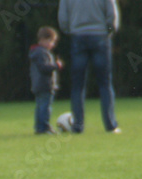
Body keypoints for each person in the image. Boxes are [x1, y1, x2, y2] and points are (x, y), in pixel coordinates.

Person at [58, 0, 121, 134]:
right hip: (100, 36)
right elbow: (112, 15)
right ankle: (110, 126)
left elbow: (63, 19)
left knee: (78, 85)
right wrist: (109, 31)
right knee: (105, 84)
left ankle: (78, 126)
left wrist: (72, 30)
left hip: (78, 37)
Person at [30, 26, 63, 135]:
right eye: (51, 41)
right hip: (45, 85)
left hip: (38, 85)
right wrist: (56, 66)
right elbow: (44, 68)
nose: (53, 45)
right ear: (43, 40)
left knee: (40, 106)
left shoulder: (36, 52)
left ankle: (39, 127)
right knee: (45, 107)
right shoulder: (42, 53)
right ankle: (44, 127)